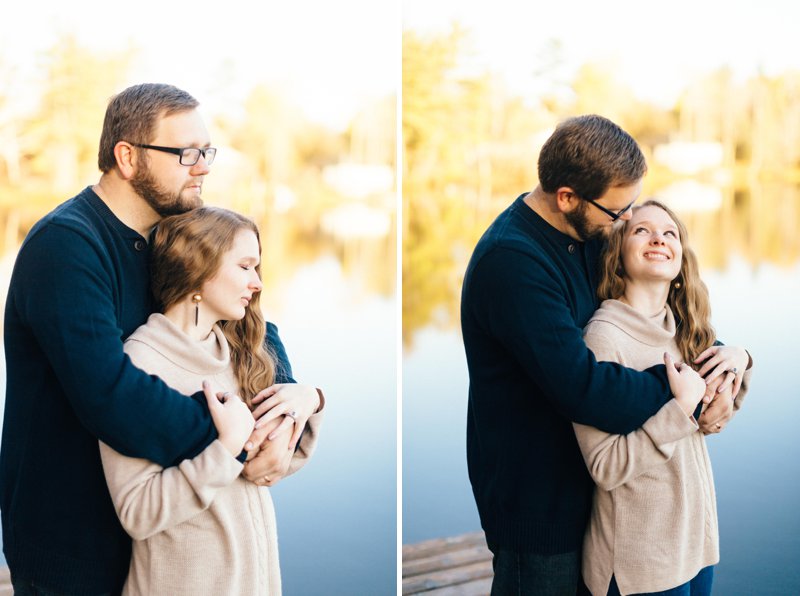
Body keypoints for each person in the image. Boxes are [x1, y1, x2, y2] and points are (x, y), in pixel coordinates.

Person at [1, 83, 320, 595]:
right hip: (71, 538)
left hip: (159, 542)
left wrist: (287, 405)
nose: (203, 166)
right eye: (185, 153)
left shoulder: (171, 231)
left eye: (206, 151)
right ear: (127, 157)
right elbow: (110, 393)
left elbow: (250, 319)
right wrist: (236, 437)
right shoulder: (66, 246)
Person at [460, 115, 746, 594]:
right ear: (567, 197)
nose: (627, 220)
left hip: (597, 500)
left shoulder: (585, 234)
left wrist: (732, 357)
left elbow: (657, 321)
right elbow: (584, 387)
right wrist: (683, 388)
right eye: (618, 212)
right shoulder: (512, 263)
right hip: (538, 503)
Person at [98, 206, 322, 595]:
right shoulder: (140, 364)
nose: (257, 283)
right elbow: (137, 511)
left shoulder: (238, 349)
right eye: (246, 267)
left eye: (257, 269)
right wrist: (226, 449)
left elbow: (272, 466)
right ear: (199, 269)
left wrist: (309, 401)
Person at [575, 200, 752, 595]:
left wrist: (740, 361)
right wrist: (680, 409)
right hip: (641, 566)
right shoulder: (602, 338)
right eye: (641, 230)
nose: (659, 238)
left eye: (669, 232)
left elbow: (716, 415)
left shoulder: (684, 329)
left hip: (696, 549)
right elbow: (604, 466)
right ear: (618, 256)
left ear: (679, 261)